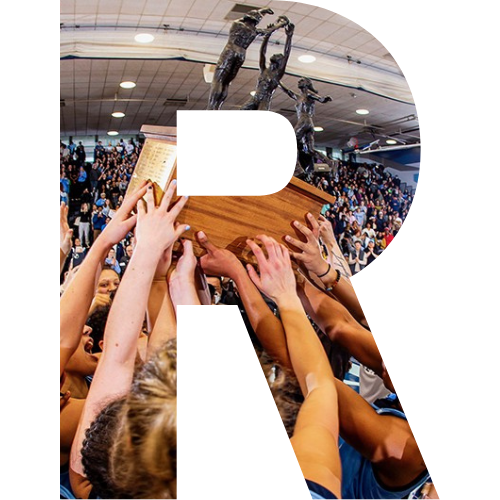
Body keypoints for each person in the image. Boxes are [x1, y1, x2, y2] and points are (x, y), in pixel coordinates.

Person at [206, 8, 285, 111]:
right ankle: (217, 106)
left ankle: (212, 108)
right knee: (226, 82)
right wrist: (280, 24)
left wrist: (262, 11)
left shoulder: (237, 24)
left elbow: (245, 17)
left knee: (218, 80)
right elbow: (267, 31)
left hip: (230, 51)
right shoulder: (254, 31)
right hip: (241, 55)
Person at [240, 20, 294, 111]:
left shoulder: (277, 74)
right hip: (256, 97)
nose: (276, 55)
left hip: (265, 99)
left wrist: (289, 36)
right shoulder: (264, 69)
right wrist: (267, 37)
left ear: (280, 62)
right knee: (243, 110)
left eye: (278, 56)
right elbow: (262, 52)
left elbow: (287, 53)